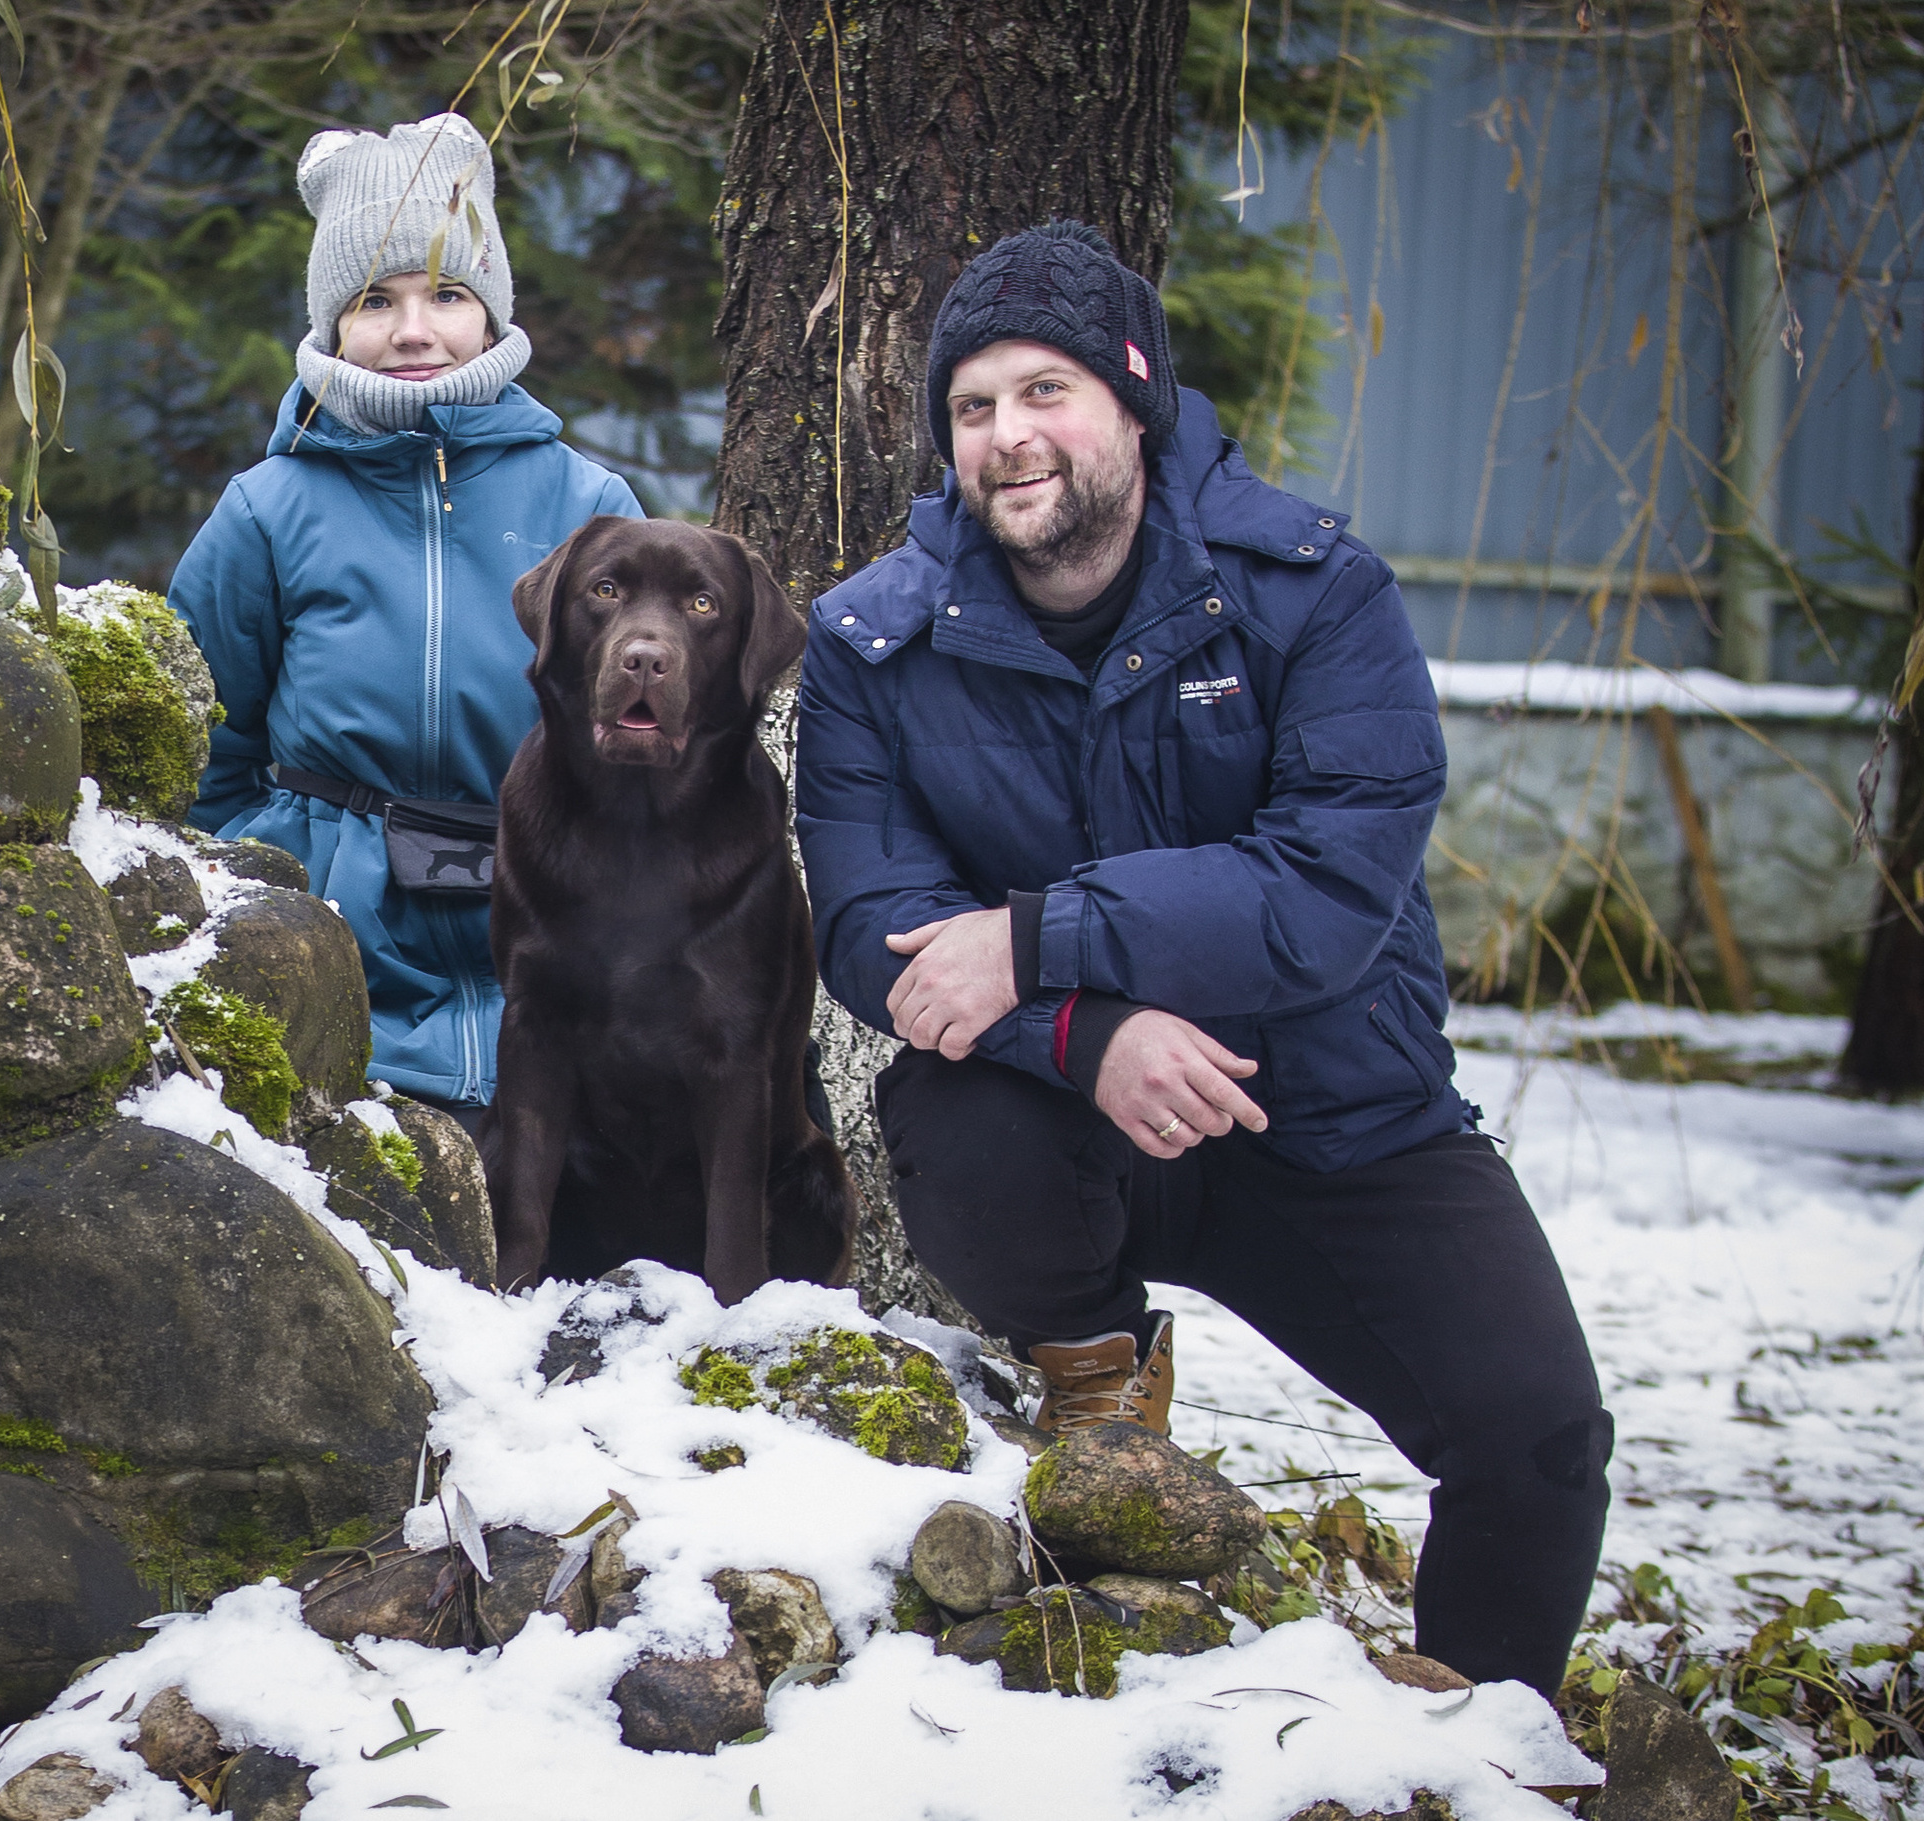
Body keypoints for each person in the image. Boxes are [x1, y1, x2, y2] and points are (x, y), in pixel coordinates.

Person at [792, 219, 1612, 1693]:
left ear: (1134, 401)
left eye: (1045, 391)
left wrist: (1043, 937)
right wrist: (1089, 1037)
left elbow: (1325, 892)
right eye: (972, 409)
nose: (1007, 436)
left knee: (1540, 1440)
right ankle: (1102, 1401)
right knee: (956, 1114)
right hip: (1068, 1128)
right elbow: (879, 940)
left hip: (1338, 1114)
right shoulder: (874, 645)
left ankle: (1480, 1749)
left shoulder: (1315, 593)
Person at [169, 114, 643, 1121]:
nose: (414, 329)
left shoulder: (589, 508)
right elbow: (199, 752)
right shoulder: (266, 511)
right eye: (376, 299)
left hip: (553, 962)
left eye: (447, 294)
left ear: (490, 314)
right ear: (333, 322)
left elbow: (652, 758)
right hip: (331, 962)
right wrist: (259, 889)